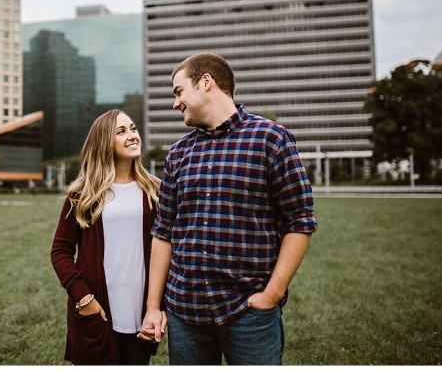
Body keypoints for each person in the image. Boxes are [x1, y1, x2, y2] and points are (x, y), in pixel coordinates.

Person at [139, 52, 317, 365]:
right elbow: (163, 232)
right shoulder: (178, 154)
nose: (175, 103)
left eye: (179, 92)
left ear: (205, 82)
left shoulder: (271, 140)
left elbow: (299, 223)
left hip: (248, 314)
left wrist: (271, 295)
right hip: (185, 313)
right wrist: (154, 307)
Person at [50, 110, 162, 365]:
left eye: (133, 129)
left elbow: (164, 250)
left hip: (140, 315)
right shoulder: (82, 194)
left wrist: (158, 306)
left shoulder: (155, 191)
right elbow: (60, 251)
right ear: (103, 142)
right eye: (121, 131)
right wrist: (84, 297)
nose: (132, 136)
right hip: (95, 313)